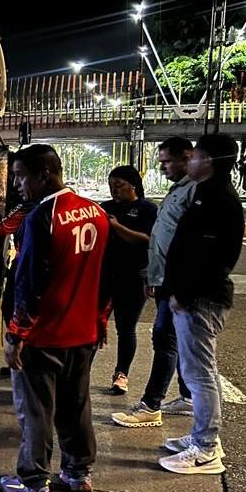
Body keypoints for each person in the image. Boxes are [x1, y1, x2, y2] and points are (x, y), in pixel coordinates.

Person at [0, 144, 110, 492]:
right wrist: (100, 320)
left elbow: (28, 282)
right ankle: (78, 472)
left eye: (20, 175)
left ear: (44, 175)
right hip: (83, 334)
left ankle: (33, 481)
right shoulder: (96, 212)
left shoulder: (42, 217)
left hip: (44, 336)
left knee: (36, 410)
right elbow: (106, 275)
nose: (16, 184)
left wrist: (16, 335)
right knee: (76, 405)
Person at [157, 133, 244, 474]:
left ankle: (206, 447)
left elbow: (213, 258)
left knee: (200, 374)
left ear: (207, 161)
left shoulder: (218, 199)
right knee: (197, 372)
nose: (188, 161)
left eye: (194, 156)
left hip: (201, 300)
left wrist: (184, 294)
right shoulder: (204, 195)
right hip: (195, 297)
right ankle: (201, 438)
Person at [111, 138, 195, 428]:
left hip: (178, 284)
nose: (162, 168)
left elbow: (186, 244)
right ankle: (185, 397)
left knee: (167, 340)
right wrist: (156, 276)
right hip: (164, 280)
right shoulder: (180, 190)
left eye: (166, 162)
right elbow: (164, 239)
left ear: (189, 156)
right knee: (173, 340)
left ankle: (152, 405)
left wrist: (176, 284)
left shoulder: (199, 193)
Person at [101, 165, 158, 395]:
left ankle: (121, 373)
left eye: (119, 185)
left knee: (126, 328)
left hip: (134, 276)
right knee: (96, 323)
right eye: (111, 185)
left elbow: (147, 240)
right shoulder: (105, 208)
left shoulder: (146, 208)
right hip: (106, 275)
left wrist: (116, 227)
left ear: (132, 185)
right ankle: (80, 371)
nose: (114, 190)